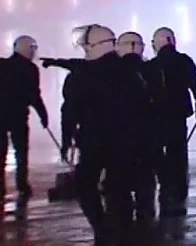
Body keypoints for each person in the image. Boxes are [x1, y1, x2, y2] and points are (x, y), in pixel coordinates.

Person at [60, 24, 149, 244]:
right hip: (125, 143)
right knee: (120, 189)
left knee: (85, 185)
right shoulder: (131, 73)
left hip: (93, 143)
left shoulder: (80, 76)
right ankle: (125, 231)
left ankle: (102, 228)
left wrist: (66, 141)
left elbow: (69, 113)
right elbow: (143, 109)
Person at [148, 27, 196, 216]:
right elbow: (195, 86)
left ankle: (165, 184)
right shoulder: (184, 61)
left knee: (158, 151)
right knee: (179, 151)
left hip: (157, 115)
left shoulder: (152, 66)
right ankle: (179, 186)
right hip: (178, 114)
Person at [117, 31, 163, 227]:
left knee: (120, 179)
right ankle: (146, 216)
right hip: (147, 132)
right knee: (146, 176)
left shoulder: (111, 72)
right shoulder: (151, 70)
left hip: (119, 134)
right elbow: (160, 99)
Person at [0, 35, 49, 202]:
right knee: (21, 152)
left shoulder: (2, 65)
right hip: (18, 117)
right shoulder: (30, 69)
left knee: (1, 152)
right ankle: (22, 185)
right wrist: (43, 115)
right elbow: (34, 95)